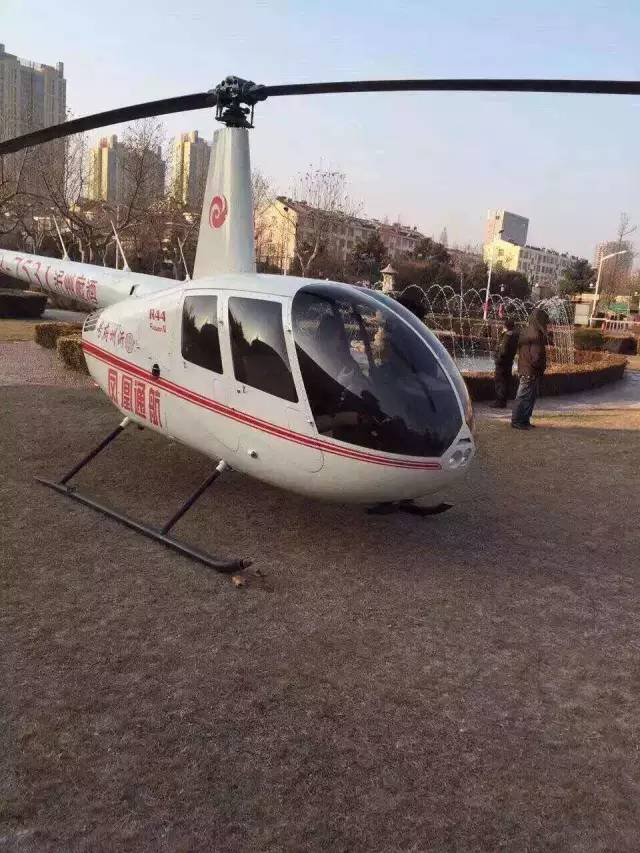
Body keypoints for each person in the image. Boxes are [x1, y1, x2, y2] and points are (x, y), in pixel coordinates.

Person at [511, 307, 549, 430]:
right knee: (524, 397)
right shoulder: (537, 335)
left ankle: (523, 420)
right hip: (530, 371)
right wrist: (540, 366)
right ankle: (518, 421)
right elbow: (536, 356)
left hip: (525, 368)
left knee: (527, 397)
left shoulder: (527, 331)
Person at [491, 318, 519, 408]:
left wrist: (498, 358)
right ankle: (503, 401)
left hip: (502, 363)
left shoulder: (507, 336)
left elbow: (503, 350)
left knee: (500, 381)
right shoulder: (515, 335)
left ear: (505, 326)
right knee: (506, 381)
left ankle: (500, 402)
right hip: (509, 361)